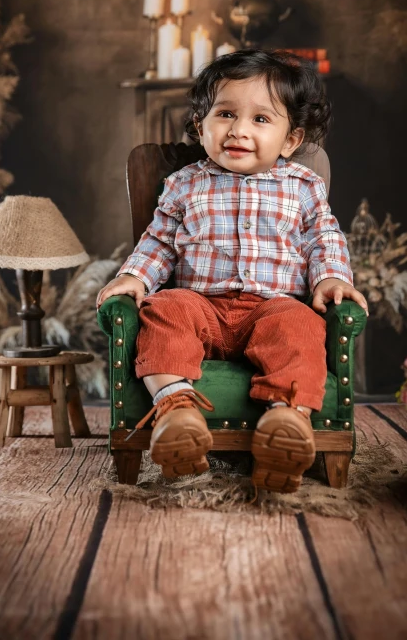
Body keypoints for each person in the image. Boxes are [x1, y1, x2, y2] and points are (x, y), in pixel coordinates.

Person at [96, 49, 368, 493]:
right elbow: (160, 240)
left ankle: (287, 420)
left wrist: (332, 277)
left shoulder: (302, 186)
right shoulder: (185, 184)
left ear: (290, 140)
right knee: (164, 309)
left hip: (273, 307)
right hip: (201, 306)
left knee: (301, 327)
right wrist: (136, 277)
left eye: (261, 119)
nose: (239, 130)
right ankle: (176, 411)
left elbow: (324, 238)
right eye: (225, 114)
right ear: (202, 125)